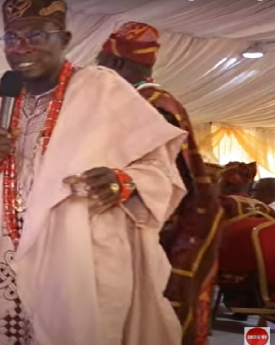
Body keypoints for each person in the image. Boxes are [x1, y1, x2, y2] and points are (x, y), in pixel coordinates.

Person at [0, 1, 188, 344]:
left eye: (36, 35)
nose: (22, 47)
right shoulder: (1, 101)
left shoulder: (103, 89)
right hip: (1, 253)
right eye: (11, 38)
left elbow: (161, 169)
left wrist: (124, 181)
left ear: (65, 38)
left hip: (78, 250)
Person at [96, 22, 223, 345]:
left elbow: (167, 178)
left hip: (153, 229)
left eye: (101, 62)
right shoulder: (138, 101)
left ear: (118, 64)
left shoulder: (152, 105)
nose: (96, 70)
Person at [216, 162, 275, 316]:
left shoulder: (220, 204)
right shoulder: (264, 207)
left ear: (223, 182)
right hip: (265, 273)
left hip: (231, 268)